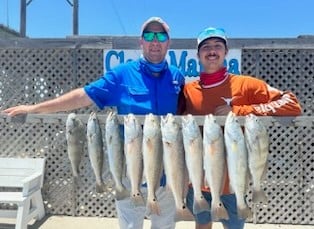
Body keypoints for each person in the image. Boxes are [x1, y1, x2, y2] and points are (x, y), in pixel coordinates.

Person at [3, 16, 185, 229]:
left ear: (168, 42)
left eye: (161, 35)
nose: (155, 40)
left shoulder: (177, 77)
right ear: (141, 42)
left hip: (167, 171)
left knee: (165, 226)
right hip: (129, 170)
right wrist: (34, 108)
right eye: (149, 35)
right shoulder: (122, 74)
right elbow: (82, 96)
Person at [177, 27, 302, 229]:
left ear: (226, 52)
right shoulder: (188, 90)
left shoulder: (247, 84)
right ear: (198, 54)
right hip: (199, 181)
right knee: (202, 225)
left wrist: (238, 110)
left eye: (218, 46)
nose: (212, 51)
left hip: (235, 182)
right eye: (206, 47)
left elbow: (292, 104)